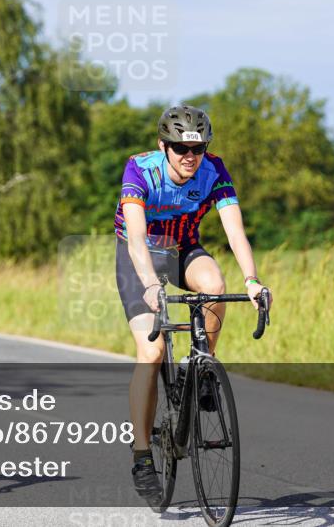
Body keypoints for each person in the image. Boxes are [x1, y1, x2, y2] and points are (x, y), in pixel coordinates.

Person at [113, 105, 270, 504]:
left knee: (215, 285)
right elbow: (135, 239)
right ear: (162, 146)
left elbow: (235, 232)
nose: (190, 156)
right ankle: (142, 455)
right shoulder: (140, 170)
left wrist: (252, 280)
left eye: (197, 149)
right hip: (140, 256)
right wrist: (150, 284)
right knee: (152, 352)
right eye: (181, 148)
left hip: (183, 249)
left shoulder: (213, 170)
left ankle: (199, 367)